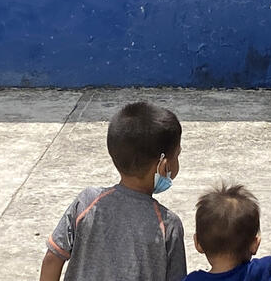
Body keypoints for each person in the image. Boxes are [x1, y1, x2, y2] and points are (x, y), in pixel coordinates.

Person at [41, 101, 188, 281]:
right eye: (177, 155)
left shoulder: (87, 202)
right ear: (163, 166)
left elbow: (52, 258)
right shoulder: (168, 225)